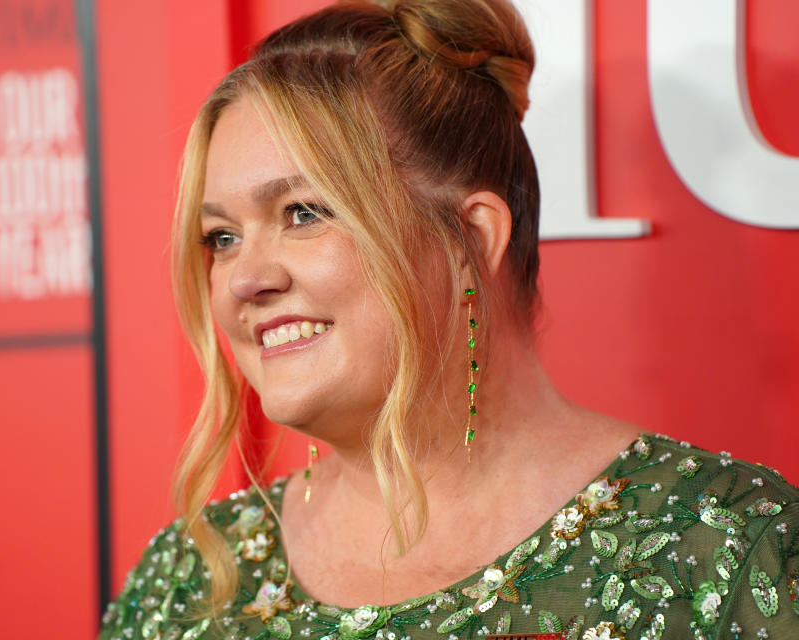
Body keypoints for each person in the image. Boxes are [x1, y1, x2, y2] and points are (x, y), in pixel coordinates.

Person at [99, 1, 799, 639]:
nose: (245, 280)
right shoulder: (187, 580)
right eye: (221, 237)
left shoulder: (731, 547)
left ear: (472, 241)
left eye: (303, 213)